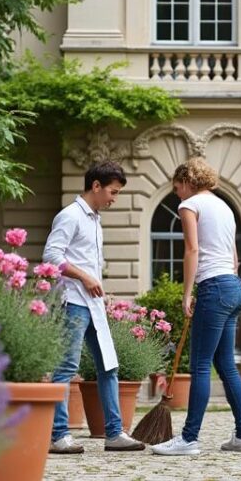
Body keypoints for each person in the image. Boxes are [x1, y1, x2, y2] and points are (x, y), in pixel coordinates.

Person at [151, 158, 241, 456]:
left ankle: (189, 438)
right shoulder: (225, 207)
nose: (177, 194)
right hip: (234, 287)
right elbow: (234, 259)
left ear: (186, 180)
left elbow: (192, 250)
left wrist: (187, 293)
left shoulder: (190, 205)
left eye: (177, 188)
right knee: (225, 365)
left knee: (199, 366)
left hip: (214, 287)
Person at [46, 160, 145, 453]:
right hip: (73, 303)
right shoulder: (70, 216)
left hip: (93, 305)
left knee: (108, 366)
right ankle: (57, 435)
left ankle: (114, 433)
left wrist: (96, 282)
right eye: (113, 192)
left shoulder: (95, 219)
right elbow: (51, 256)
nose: (114, 198)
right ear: (96, 186)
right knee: (66, 367)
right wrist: (86, 277)